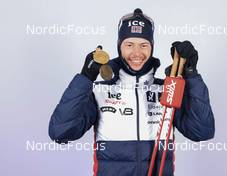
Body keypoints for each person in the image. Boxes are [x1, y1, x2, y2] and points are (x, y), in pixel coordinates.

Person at [49, 8, 215, 176]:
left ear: (152, 48)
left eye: (144, 45)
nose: (137, 53)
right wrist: (85, 78)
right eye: (129, 45)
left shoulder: (167, 89)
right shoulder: (100, 91)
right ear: (119, 47)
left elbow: (201, 131)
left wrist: (191, 75)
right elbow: (61, 132)